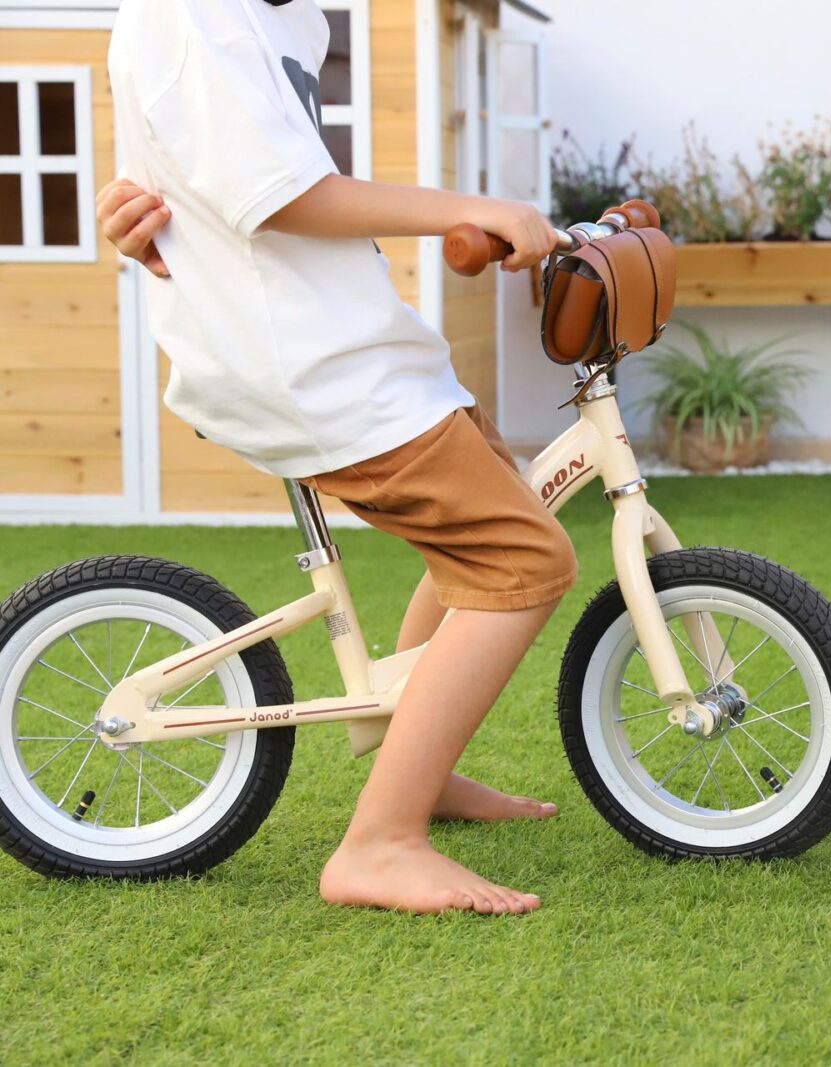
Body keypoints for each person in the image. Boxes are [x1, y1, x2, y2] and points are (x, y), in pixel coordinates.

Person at [102, 0, 576, 914]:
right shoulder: (192, 15)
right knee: (522, 558)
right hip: (306, 367)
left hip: (353, 343)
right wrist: (469, 209)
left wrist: (145, 212)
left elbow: (199, 171)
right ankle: (381, 841)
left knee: (502, 508)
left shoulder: (285, 22)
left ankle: (417, 768)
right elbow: (278, 194)